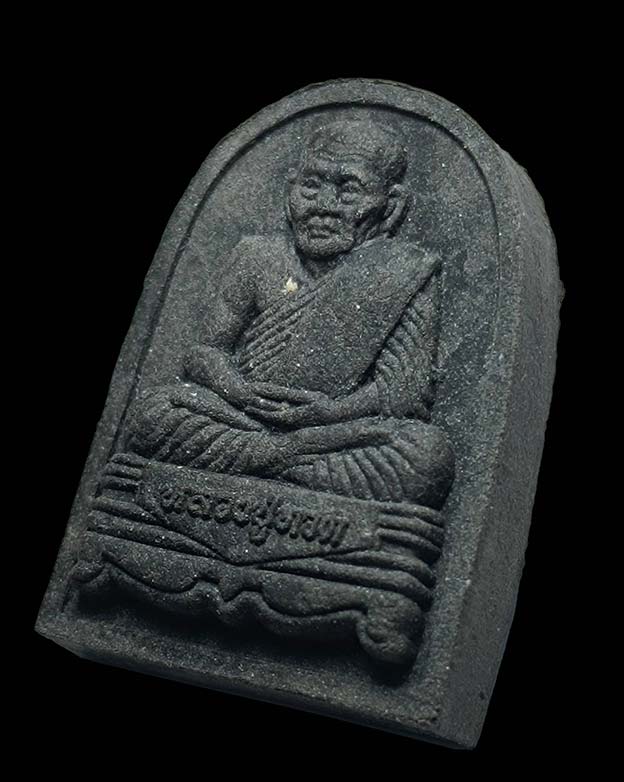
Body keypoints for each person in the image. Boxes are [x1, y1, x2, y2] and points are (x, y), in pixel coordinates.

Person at [125, 118, 454, 509]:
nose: (323, 206)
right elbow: (204, 352)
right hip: (242, 416)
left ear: (391, 205)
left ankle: (262, 461)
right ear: (290, 190)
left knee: (424, 455)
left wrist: (331, 413)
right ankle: (288, 461)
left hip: (333, 430)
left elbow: (402, 392)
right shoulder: (257, 256)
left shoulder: (405, 271)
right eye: (311, 186)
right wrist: (236, 390)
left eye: (348, 190)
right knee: (155, 412)